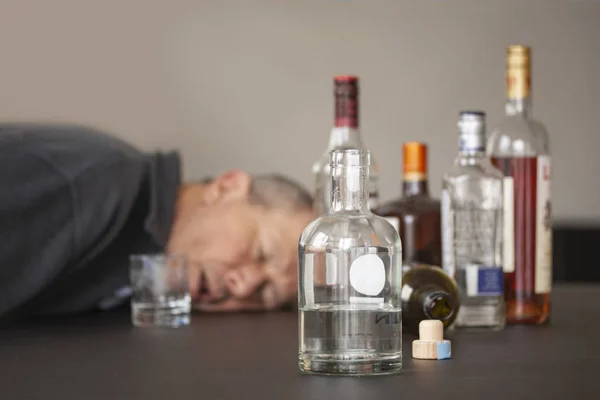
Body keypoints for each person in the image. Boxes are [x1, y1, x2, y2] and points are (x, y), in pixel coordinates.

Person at [0, 124, 315, 319]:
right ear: (227, 187)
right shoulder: (88, 188)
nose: (245, 286)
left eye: (266, 294)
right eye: (261, 252)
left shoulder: (155, 262)